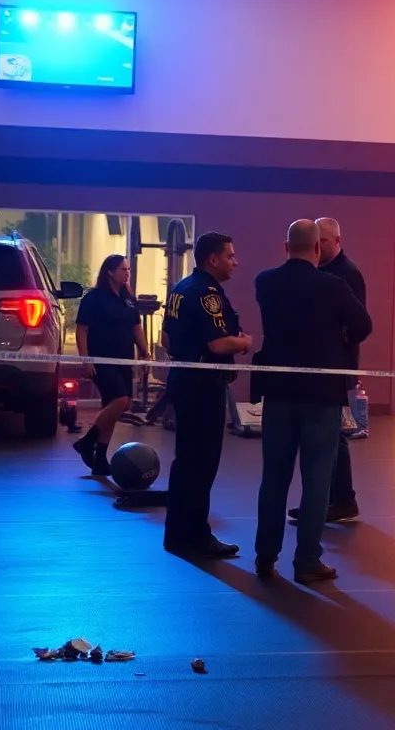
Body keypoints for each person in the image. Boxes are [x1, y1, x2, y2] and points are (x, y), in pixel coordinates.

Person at [251, 220, 373, 585]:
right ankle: (307, 561)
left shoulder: (265, 281)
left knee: (273, 478)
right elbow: (363, 325)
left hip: (279, 393)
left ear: (285, 246)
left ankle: (264, 557)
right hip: (321, 394)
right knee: (317, 480)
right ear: (319, 249)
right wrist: (337, 335)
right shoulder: (333, 284)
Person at [162, 232, 252, 559]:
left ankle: (176, 534)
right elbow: (218, 343)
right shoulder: (206, 293)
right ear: (213, 259)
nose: (235, 262)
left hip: (183, 379)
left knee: (185, 460)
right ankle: (198, 536)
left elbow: (166, 340)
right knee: (202, 462)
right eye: (230, 256)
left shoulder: (180, 288)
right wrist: (244, 342)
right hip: (203, 385)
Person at [286, 217, 367, 525]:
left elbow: (357, 325)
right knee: (329, 432)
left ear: (337, 241)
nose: (318, 247)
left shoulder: (346, 275)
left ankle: (343, 499)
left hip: (337, 365)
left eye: (324, 242)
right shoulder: (319, 270)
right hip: (321, 365)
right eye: (315, 242)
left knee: (334, 432)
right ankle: (332, 499)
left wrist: (332, 347)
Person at [72, 254, 150, 476]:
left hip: (123, 359)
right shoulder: (94, 298)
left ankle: (99, 459)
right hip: (101, 360)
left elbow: (137, 328)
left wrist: (145, 352)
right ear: (110, 272)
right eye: (123, 269)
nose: (127, 272)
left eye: (128, 269)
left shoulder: (128, 299)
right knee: (120, 399)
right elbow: (82, 329)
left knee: (116, 407)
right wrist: (85, 359)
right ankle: (87, 442)